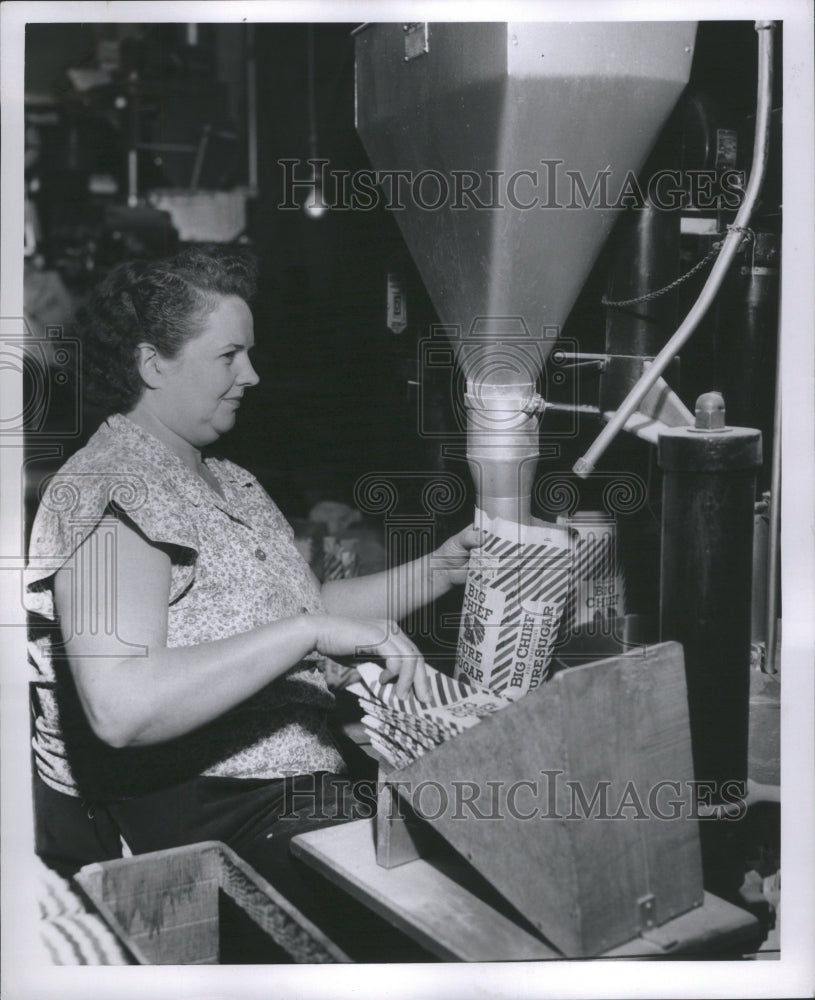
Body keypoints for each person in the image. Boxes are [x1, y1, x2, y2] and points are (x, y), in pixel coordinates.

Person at [25, 246, 483, 960]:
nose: (253, 375)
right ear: (153, 365)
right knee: (454, 912)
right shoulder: (111, 490)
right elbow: (122, 705)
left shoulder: (225, 477)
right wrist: (305, 632)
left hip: (295, 785)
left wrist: (438, 569)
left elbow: (299, 608)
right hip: (215, 816)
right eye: (229, 356)